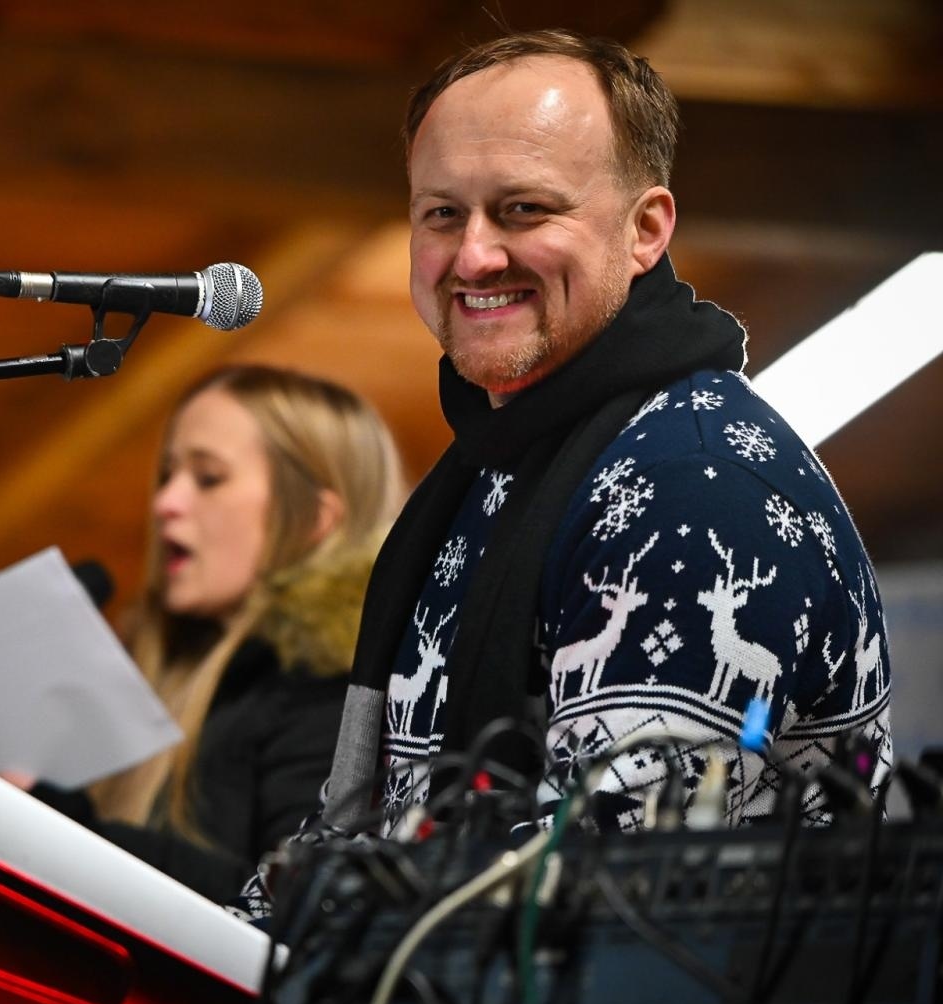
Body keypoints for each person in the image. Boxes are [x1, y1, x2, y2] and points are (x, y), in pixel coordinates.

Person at [241, 30, 894, 917]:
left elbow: (602, 892)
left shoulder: (690, 488)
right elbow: (365, 823)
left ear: (646, 230)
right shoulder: (497, 459)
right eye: (441, 214)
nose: (473, 256)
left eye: (522, 210)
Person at [34, 364, 407, 903]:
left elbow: (289, 906)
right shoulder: (163, 665)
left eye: (208, 478)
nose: (166, 503)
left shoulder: (332, 694)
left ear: (313, 518)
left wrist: (69, 834)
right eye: (167, 475)